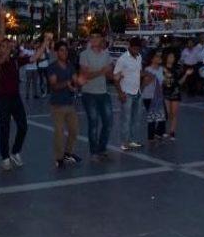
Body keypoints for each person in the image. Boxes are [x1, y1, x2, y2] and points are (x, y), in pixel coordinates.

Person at [0, 14, 52, 170]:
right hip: (3, 99)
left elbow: (35, 58)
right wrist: (1, 20)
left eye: (7, 46)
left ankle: (15, 151)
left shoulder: (16, 61)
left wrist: (45, 42)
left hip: (15, 98)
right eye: (2, 46)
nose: (5, 47)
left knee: (23, 126)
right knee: (5, 128)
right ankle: (5, 157)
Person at [48, 41, 86, 168]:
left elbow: (76, 81)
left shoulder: (70, 66)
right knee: (59, 133)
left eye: (66, 50)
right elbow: (54, 85)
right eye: (62, 50)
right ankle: (59, 158)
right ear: (56, 52)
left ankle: (68, 153)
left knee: (74, 130)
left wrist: (78, 84)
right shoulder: (53, 67)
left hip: (69, 103)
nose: (64, 53)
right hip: (57, 104)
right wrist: (67, 83)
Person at [79, 30, 113, 162]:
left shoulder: (106, 55)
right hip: (89, 93)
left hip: (103, 92)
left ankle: (102, 148)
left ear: (101, 39)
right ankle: (94, 152)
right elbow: (85, 75)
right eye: (91, 37)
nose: (94, 39)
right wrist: (101, 71)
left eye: (96, 36)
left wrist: (116, 75)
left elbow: (109, 74)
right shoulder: (84, 54)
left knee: (108, 122)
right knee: (93, 123)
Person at [113, 37, 143, 151]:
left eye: (138, 48)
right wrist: (120, 93)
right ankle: (125, 142)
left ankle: (133, 140)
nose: (136, 50)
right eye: (135, 48)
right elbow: (115, 78)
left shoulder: (139, 57)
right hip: (126, 92)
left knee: (136, 118)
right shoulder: (123, 59)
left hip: (137, 91)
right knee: (126, 118)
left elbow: (139, 73)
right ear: (130, 47)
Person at [162, 50, 193, 140]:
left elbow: (179, 82)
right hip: (165, 92)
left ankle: (172, 132)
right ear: (166, 57)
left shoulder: (177, 68)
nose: (171, 58)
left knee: (174, 113)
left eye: (173, 57)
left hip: (175, 92)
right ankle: (164, 130)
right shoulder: (162, 68)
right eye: (170, 56)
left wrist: (186, 75)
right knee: (166, 113)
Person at [142, 49, 166, 144]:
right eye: (157, 56)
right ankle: (151, 137)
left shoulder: (161, 69)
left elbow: (162, 83)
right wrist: (148, 80)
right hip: (149, 96)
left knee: (163, 117)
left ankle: (157, 134)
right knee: (153, 117)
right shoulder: (148, 69)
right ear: (152, 59)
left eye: (160, 56)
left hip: (159, 96)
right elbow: (144, 84)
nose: (160, 58)